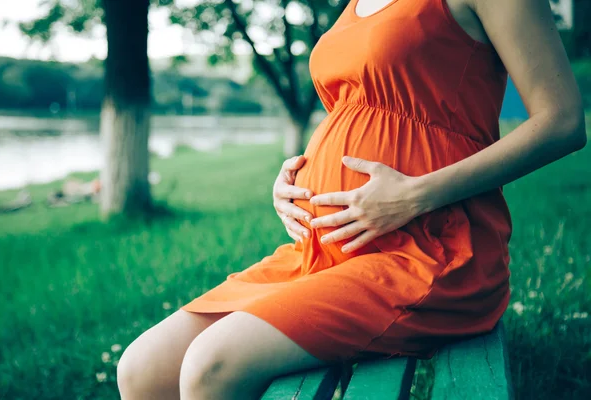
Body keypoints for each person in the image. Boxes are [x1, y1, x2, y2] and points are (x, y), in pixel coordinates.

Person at [117, 1, 587, 399]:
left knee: (211, 365)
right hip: (326, 250)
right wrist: (296, 178)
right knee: (141, 369)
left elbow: (562, 122)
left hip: (431, 250)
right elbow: (358, 112)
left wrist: (414, 195)